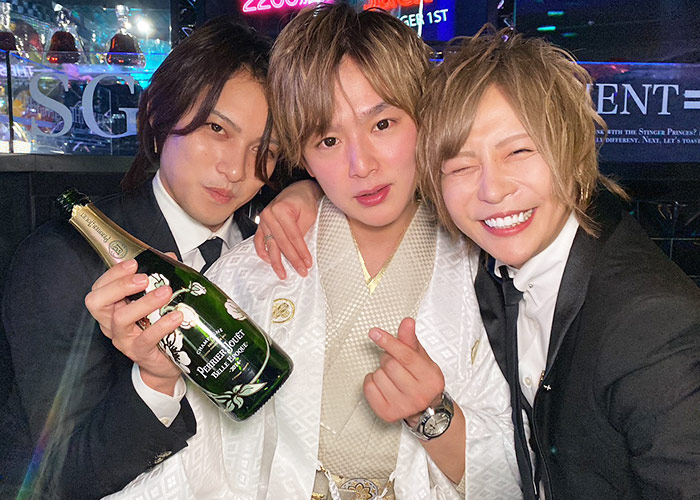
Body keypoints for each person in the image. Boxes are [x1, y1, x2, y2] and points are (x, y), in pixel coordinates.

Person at [86, 5, 520, 499]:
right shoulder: (250, 271)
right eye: (328, 140)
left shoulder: (489, 269)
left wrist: (433, 415)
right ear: (303, 157)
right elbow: (202, 457)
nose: (361, 164)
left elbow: (529, 462)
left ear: (426, 118)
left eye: (383, 124)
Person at [0, 17, 277, 499]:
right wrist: (154, 380)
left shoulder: (271, 249)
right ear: (159, 119)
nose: (236, 169)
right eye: (216, 129)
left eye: (265, 150)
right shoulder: (63, 262)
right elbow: (60, 476)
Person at [418, 27, 700, 499]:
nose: (492, 190)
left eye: (519, 151)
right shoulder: (498, 268)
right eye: (461, 166)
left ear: (572, 152)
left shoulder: (650, 327)